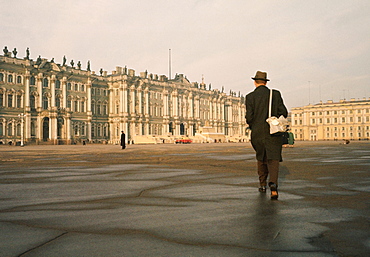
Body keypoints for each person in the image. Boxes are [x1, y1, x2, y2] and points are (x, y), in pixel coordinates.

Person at [245, 71, 288, 200]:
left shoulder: (250, 97)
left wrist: (254, 125)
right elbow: (283, 112)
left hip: (257, 132)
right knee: (273, 158)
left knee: (261, 157)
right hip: (273, 132)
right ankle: (273, 184)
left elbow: (249, 117)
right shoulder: (275, 94)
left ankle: (262, 184)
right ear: (266, 82)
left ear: (255, 82)